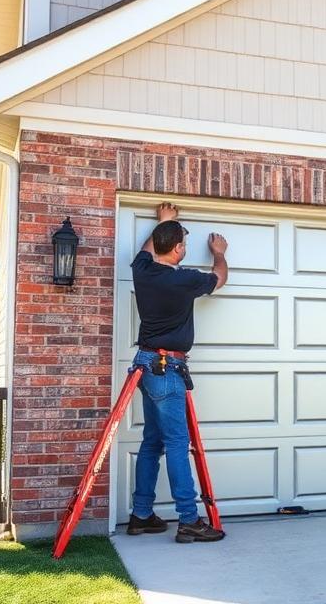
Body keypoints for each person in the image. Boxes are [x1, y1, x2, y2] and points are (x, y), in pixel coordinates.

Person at [126, 202, 228, 543]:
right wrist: (219, 253)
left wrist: (164, 223)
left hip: (145, 364)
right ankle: (188, 520)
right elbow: (220, 278)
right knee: (176, 443)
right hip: (168, 368)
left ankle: (141, 515)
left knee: (152, 441)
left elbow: (146, 250)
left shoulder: (142, 270)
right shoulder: (183, 279)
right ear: (179, 249)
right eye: (183, 243)